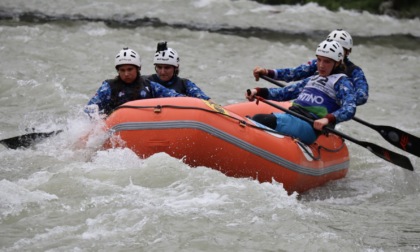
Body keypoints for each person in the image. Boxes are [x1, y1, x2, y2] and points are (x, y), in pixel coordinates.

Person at [246, 40, 356, 145]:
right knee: (258, 119)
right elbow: (286, 92)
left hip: (309, 125)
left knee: (259, 119)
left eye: (327, 61)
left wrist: (327, 119)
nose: (321, 65)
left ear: (337, 63)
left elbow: (350, 108)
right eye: (319, 60)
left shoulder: (343, 82)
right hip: (292, 116)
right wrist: (258, 91)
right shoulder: (315, 77)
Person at [253, 29, 368, 106]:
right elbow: (294, 73)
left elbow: (362, 96)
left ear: (348, 52)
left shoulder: (355, 72)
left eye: (339, 47)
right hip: (307, 104)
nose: (333, 48)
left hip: (327, 111)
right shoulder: (319, 62)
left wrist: (340, 96)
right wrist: (267, 72)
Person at [85, 47, 184, 116]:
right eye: (122, 70)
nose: (126, 74)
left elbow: (175, 97)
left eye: (129, 69)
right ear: (118, 71)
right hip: (117, 127)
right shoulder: (108, 87)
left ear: (138, 68)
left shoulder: (149, 86)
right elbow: (90, 108)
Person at [143, 42, 212, 101]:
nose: (162, 72)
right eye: (159, 67)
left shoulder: (185, 84)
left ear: (176, 67)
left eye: (167, 68)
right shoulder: (145, 82)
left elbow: (206, 100)